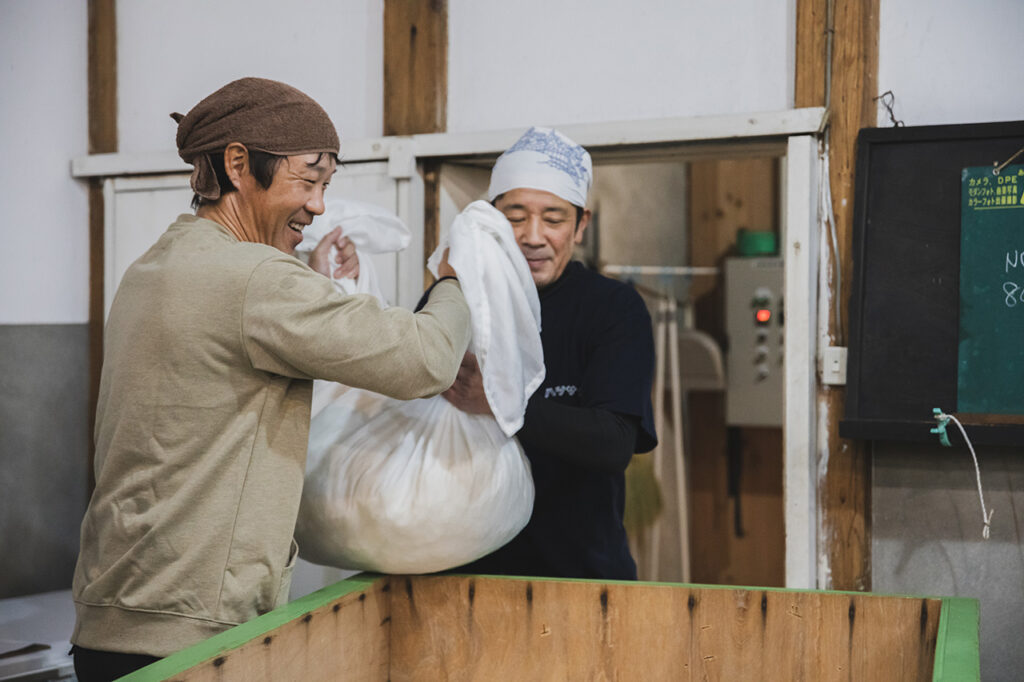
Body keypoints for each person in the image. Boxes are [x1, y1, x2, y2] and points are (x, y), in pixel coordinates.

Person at [70, 77, 471, 681]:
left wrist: (305, 274)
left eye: (325, 186)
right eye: (308, 180)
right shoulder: (257, 281)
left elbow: (238, 320)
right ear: (238, 165)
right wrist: (453, 280)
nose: (318, 204)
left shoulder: (153, 268)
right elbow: (425, 360)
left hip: (112, 621)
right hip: (190, 639)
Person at [444, 127, 657, 580]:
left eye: (554, 219)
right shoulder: (457, 301)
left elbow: (613, 443)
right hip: (461, 576)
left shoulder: (612, 310)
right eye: (515, 217)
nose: (533, 236)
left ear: (581, 225)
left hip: (580, 578)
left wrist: (502, 403)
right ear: (490, 220)